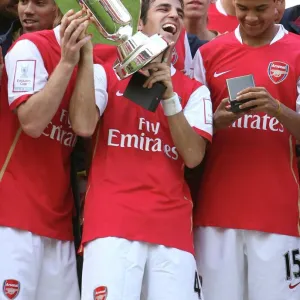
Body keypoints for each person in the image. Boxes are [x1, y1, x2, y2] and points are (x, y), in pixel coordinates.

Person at [69, 0, 213, 299]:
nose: (174, 14)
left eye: (179, 12)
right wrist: (85, 58)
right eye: (163, 8)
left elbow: (194, 156)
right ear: (140, 25)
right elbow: (83, 125)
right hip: (112, 225)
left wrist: (170, 97)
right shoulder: (106, 70)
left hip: (172, 233)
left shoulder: (193, 89)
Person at [191, 0, 300, 299]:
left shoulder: (297, 51)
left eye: (260, 8)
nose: (250, 17)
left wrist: (275, 108)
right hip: (215, 215)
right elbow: (189, 134)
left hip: (278, 215)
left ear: (279, 5)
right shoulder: (208, 54)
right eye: (242, 8)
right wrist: (215, 121)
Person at [0, 9, 92, 300]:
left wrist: (83, 58)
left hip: (59, 220)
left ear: (62, 8)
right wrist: (67, 63)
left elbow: (84, 127)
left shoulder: (89, 58)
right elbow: (33, 123)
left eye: (39, 1)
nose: (27, 9)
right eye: (24, 1)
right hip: (12, 218)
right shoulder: (27, 47)